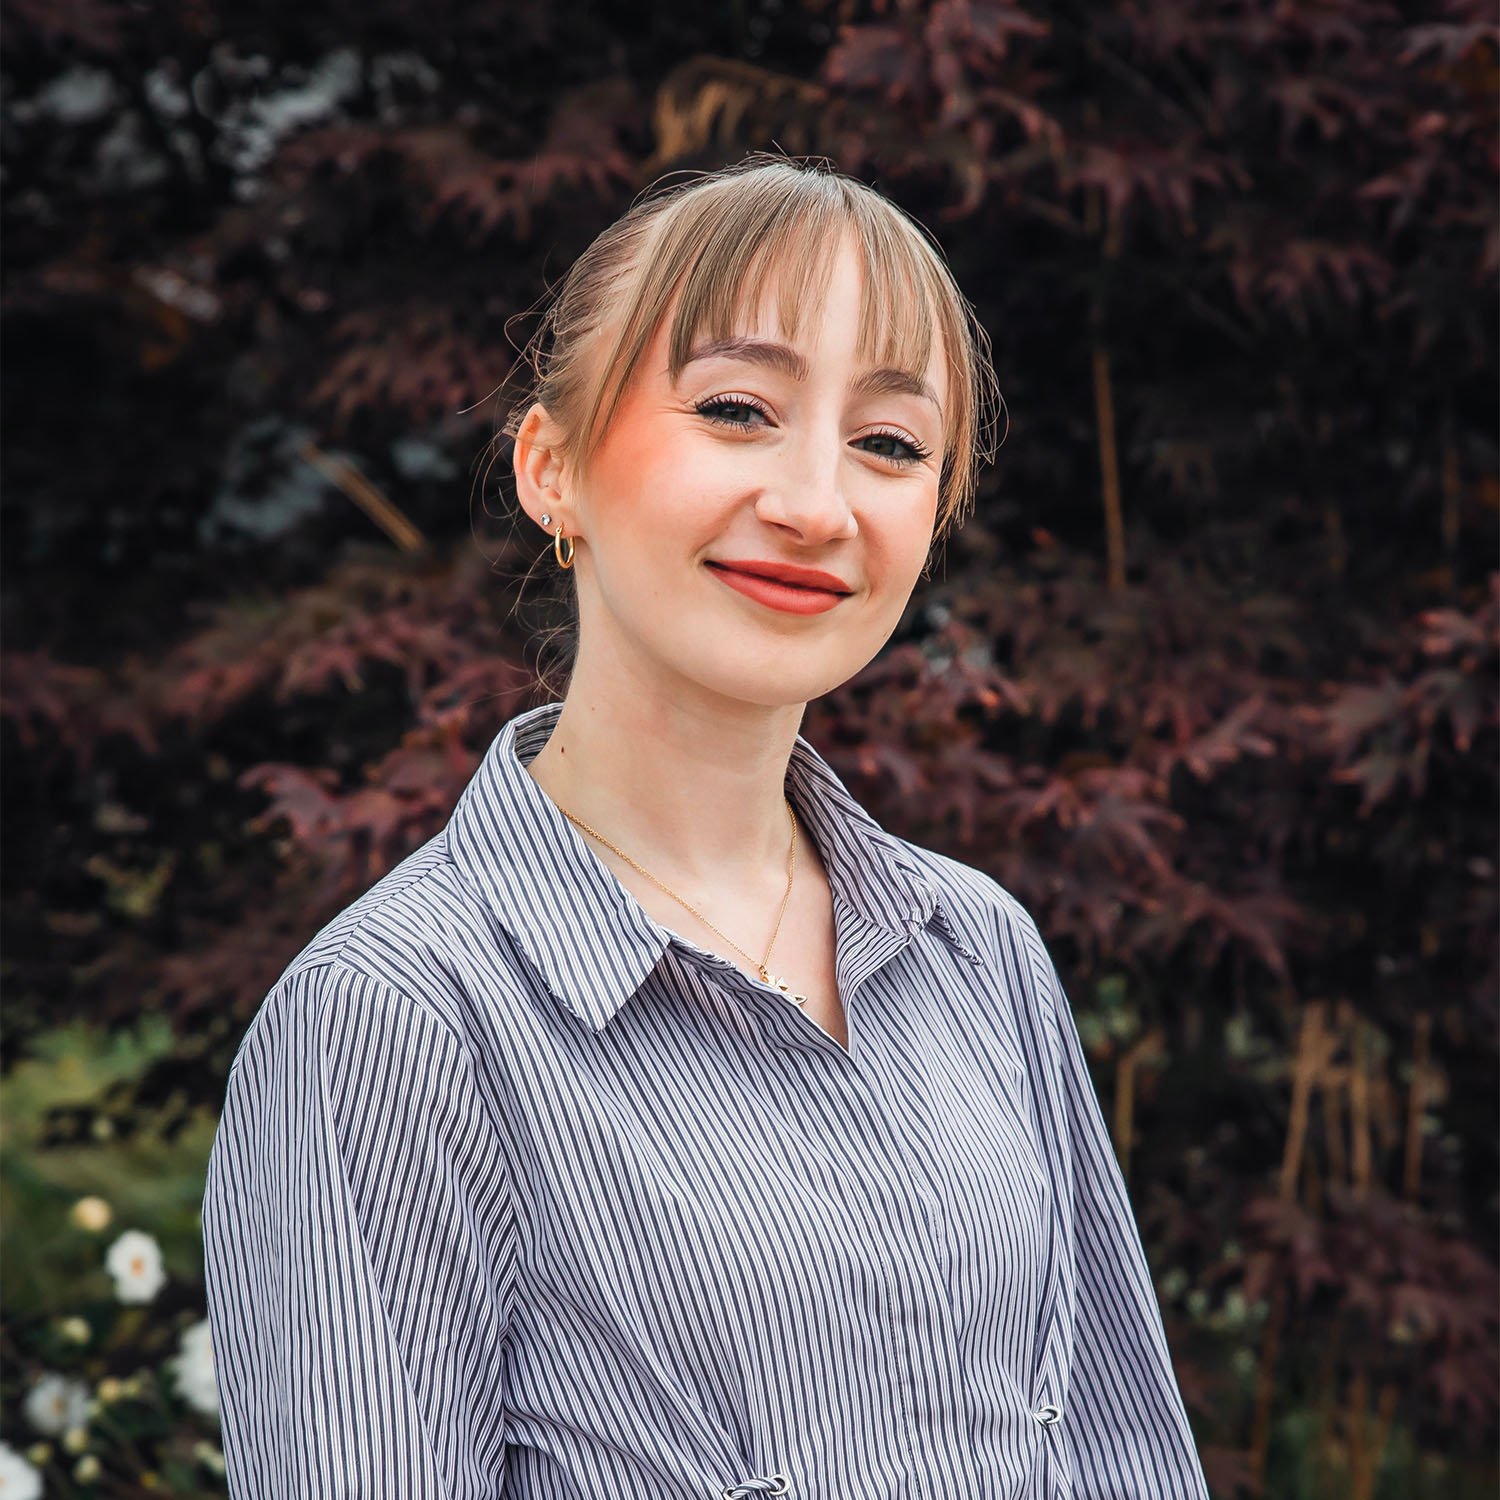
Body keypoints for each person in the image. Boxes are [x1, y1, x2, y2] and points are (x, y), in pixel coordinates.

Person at [201, 154, 1209, 1500]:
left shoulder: (978, 954)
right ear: (553, 470)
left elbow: (1121, 1457)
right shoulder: (395, 1021)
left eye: (891, 443)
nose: (814, 504)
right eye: (738, 409)